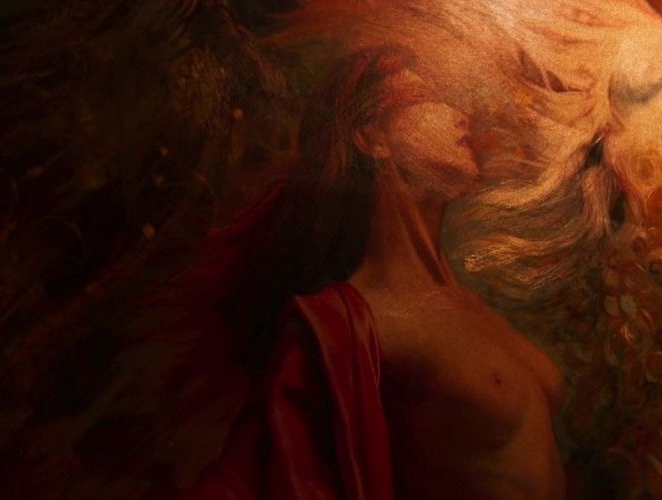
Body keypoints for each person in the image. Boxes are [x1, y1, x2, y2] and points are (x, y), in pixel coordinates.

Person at [177, 45, 567, 499]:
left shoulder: (466, 301)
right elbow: (245, 480)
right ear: (373, 138)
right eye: (430, 97)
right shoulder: (344, 327)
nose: (461, 116)